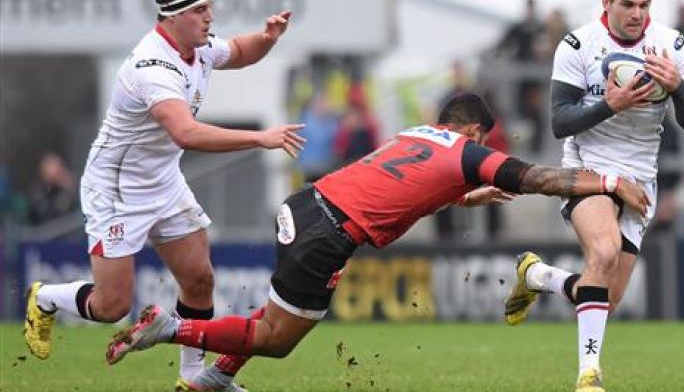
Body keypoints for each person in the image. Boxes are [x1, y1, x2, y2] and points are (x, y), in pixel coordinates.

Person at [104, 94, 650, 392]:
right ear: (477, 133)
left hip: (305, 205)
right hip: (328, 233)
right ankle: (171, 330)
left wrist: (462, 199)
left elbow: (399, 185)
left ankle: (215, 378)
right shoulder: (470, 154)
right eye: (484, 142)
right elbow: (536, 177)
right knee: (275, 338)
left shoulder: (414, 134)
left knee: (279, 314)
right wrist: (607, 182)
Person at [23, 0, 306, 391]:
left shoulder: (199, 46)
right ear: (171, 17)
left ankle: (193, 378)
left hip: (163, 181)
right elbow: (186, 133)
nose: (209, 18)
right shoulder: (152, 65)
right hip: (118, 190)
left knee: (199, 279)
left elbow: (240, 51)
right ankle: (45, 296)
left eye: (210, 8)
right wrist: (259, 138)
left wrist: (268, 37)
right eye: (199, 10)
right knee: (112, 305)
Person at [503, 0, 684, 392]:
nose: (637, 14)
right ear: (606, 1)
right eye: (628, 4)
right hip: (587, 169)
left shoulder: (671, 45)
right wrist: (608, 106)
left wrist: (678, 88)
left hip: (641, 177)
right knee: (604, 250)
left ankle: (538, 276)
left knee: (605, 299)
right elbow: (559, 120)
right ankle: (588, 376)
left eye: (645, 5)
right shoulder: (578, 45)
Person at [26, 152, 78, 225]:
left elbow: (72, 212)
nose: (58, 171)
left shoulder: (63, 189)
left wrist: (69, 190)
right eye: (54, 167)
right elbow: (47, 216)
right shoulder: (38, 191)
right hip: (44, 232)